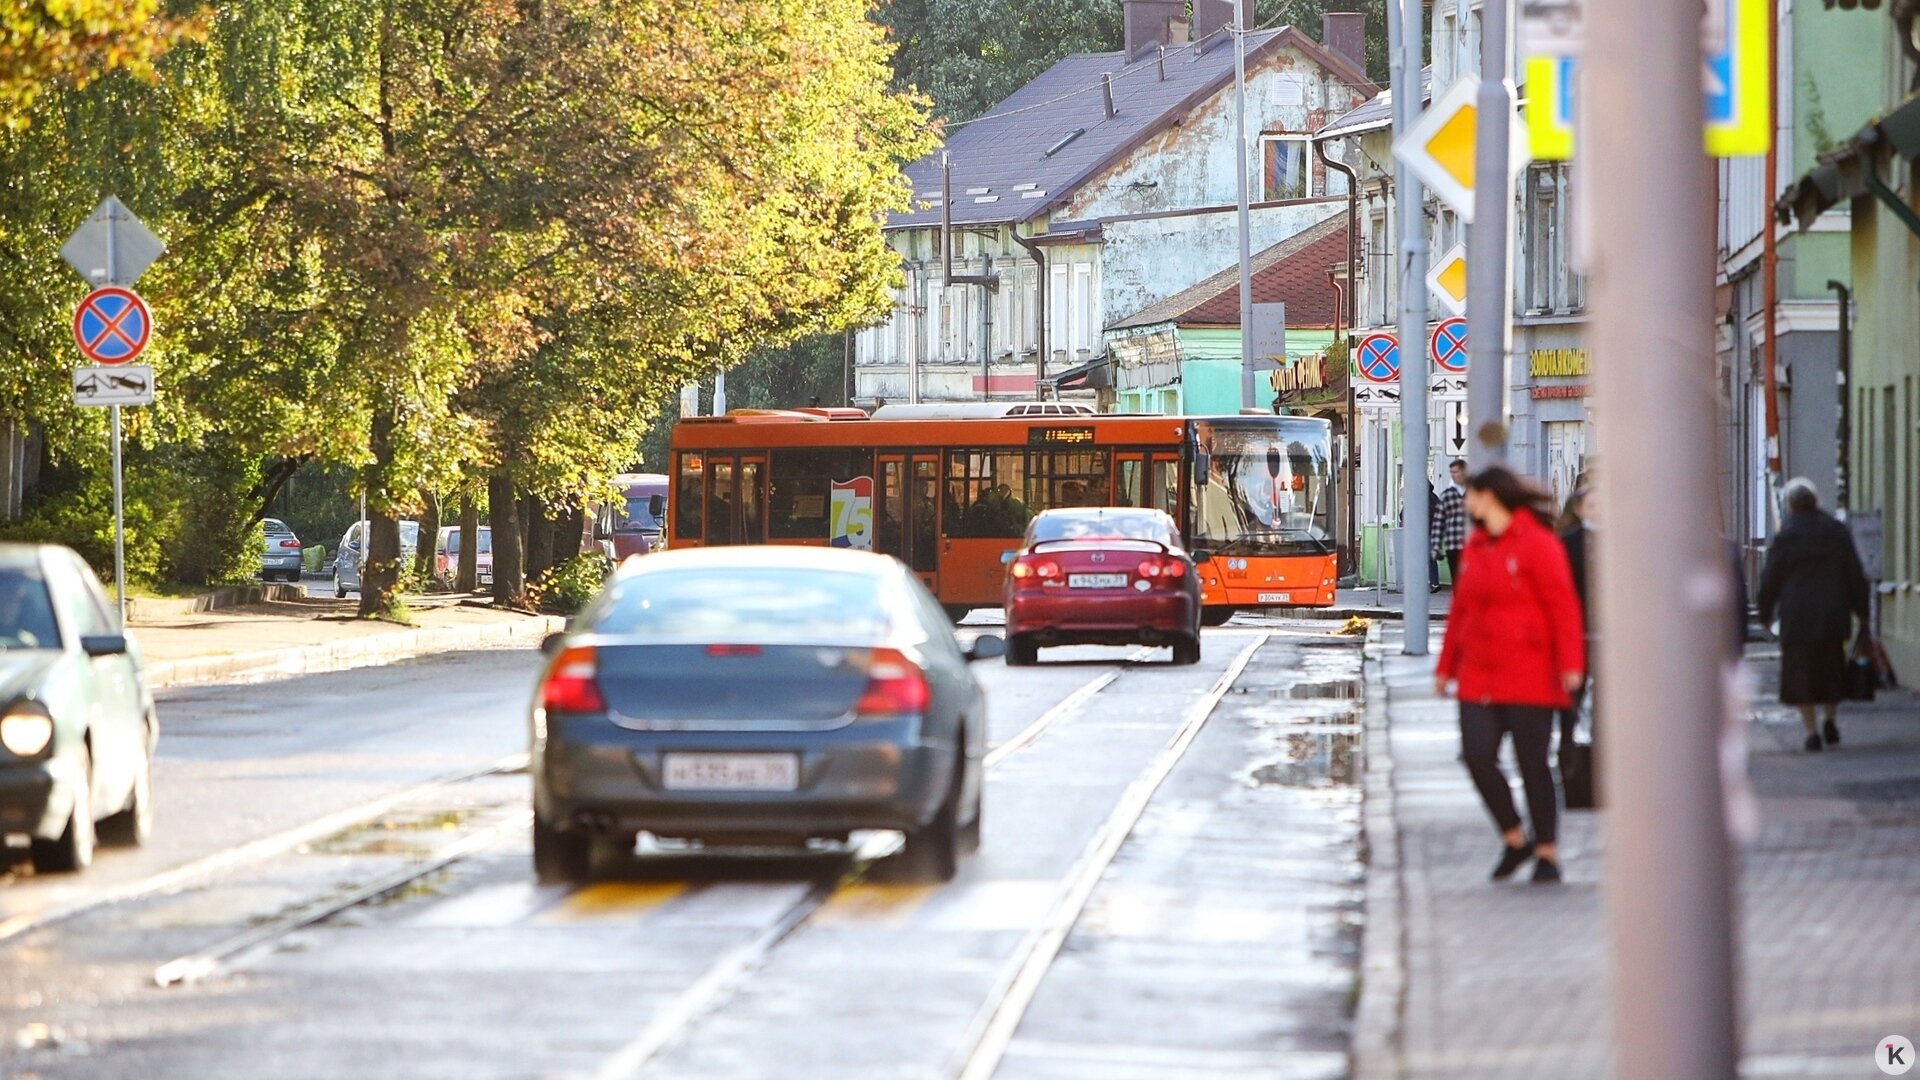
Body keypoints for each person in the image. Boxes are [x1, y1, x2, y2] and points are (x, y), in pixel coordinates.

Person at [1436, 466, 1586, 884]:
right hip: (1480, 674)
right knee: (1477, 755)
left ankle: (1547, 853)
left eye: (1473, 495)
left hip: (1531, 672)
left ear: (1490, 497)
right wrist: (1446, 667)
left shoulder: (1539, 544)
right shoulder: (1477, 548)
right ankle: (1515, 837)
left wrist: (1571, 665)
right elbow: (1461, 612)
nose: (1467, 502)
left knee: (1533, 763)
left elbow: (1563, 607)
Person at [1757, 477, 1871, 752]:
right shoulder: (1836, 531)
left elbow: (1771, 578)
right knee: (1831, 668)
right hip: (1833, 613)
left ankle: (1811, 732)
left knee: (1801, 675)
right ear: (1816, 501)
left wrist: (1765, 612)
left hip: (1797, 616)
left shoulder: (1786, 536)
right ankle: (1830, 719)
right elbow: (1854, 574)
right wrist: (1862, 611)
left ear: (1791, 505)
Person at [1431, 459, 1468, 588]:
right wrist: (1436, 546)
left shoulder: (1474, 493)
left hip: (1471, 543)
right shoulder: (1447, 495)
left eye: (1456, 472)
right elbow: (1438, 522)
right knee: (1457, 579)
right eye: (1451, 472)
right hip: (1453, 544)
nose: (1453, 475)